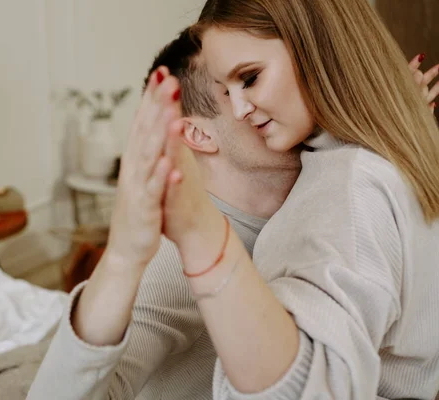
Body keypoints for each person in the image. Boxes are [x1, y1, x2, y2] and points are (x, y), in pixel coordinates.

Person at [27, 21, 439, 400]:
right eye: (242, 83)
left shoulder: (331, 186)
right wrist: (120, 260)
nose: (266, 99)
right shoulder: (173, 261)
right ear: (196, 133)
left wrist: (388, 117)